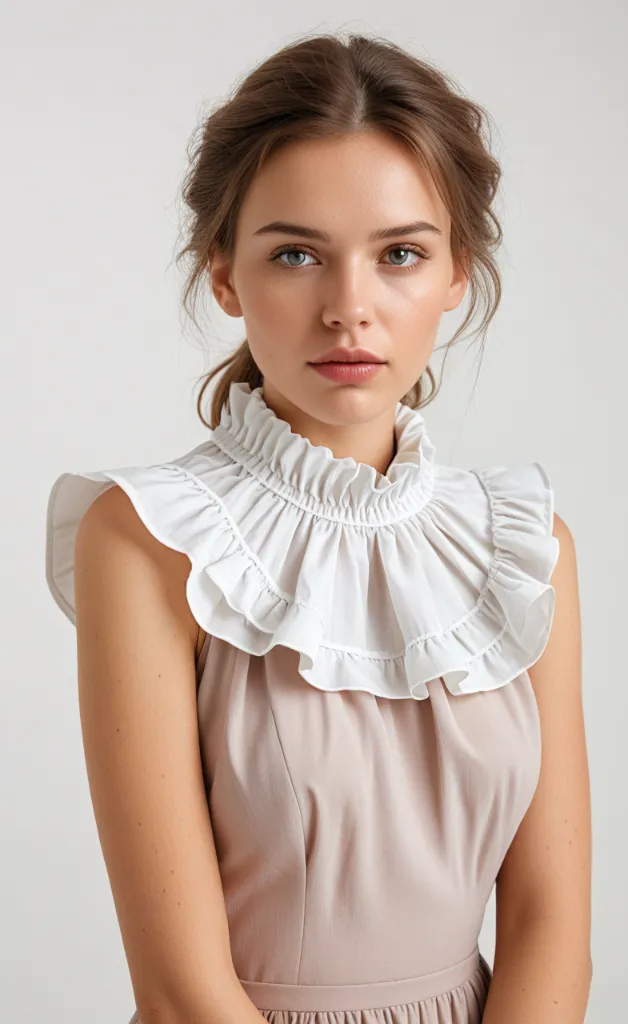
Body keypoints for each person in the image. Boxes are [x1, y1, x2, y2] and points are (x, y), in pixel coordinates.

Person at [45, 31, 592, 1024]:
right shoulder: (144, 539)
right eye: (296, 254)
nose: (350, 308)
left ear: (458, 273)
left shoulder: (526, 549)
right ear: (223, 274)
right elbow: (180, 994)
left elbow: (552, 929)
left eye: (400, 254)